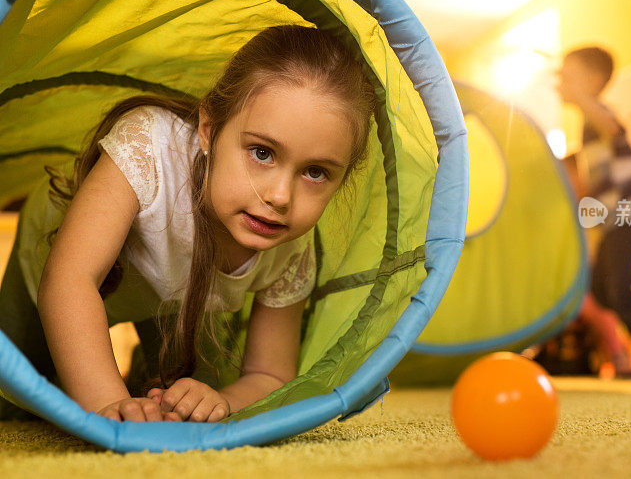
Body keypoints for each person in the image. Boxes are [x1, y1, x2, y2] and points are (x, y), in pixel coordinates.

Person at [0, 24, 376, 422]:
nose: (280, 197)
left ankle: (145, 372)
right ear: (209, 131)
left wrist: (223, 401)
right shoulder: (148, 150)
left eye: (316, 172)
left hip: (182, 300)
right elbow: (68, 281)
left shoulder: (292, 244)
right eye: (262, 152)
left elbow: (269, 374)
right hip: (55, 260)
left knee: (192, 397)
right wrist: (107, 406)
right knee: (16, 393)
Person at [556, 46, 631, 378]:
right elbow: (599, 182)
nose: (561, 81)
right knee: (602, 291)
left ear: (592, 81)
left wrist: (582, 98)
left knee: (620, 290)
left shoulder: (600, 116)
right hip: (615, 220)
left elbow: (611, 127)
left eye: (569, 74)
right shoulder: (586, 127)